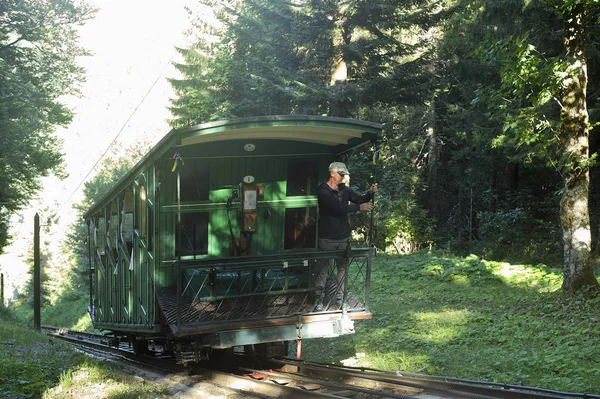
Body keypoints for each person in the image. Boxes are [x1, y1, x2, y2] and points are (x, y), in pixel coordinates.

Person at [313, 161, 378, 311]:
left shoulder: (345, 190)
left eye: (344, 175)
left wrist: (370, 193)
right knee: (323, 269)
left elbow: (360, 199)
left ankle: (340, 298)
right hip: (327, 237)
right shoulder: (322, 191)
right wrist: (358, 208)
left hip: (343, 237)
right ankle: (318, 299)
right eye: (341, 174)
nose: (343, 177)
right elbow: (337, 208)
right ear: (332, 173)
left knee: (342, 269)